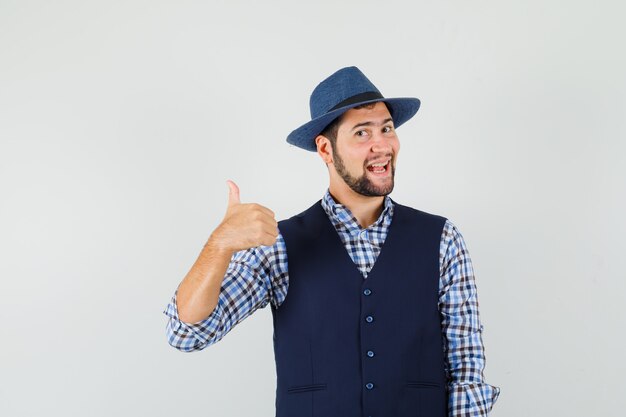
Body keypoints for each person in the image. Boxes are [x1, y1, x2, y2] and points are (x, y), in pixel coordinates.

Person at [164, 66, 500, 417]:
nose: (381, 144)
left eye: (386, 128)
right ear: (325, 149)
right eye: (361, 133)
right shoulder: (279, 244)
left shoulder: (442, 240)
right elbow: (187, 333)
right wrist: (219, 246)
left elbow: (466, 371)